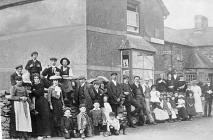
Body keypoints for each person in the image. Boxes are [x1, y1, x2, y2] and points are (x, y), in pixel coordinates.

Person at [31, 74, 51, 139]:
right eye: (34, 78)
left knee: (44, 117)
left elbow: (38, 93)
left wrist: (33, 91)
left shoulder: (41, 85)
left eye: (37, 78)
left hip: (42, 102)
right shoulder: (32, 85)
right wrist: (33, 91)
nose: (36, 80)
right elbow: (31, 94)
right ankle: (39, 134)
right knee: (37, 117)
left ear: (39, 79)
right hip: (36, 102)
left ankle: (46, 133)